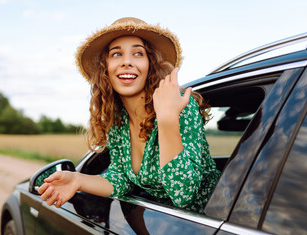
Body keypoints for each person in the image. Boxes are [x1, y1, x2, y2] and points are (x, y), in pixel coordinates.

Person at [38, 17, 221, 213]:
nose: (127, 62)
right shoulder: (118, 121)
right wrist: (77, 179)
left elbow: (183, 194)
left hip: (216, 217)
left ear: (150, 64)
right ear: (105, 68)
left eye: (138, 53)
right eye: (116, 54)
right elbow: (121, 179)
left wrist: (167, 120)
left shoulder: (178, 104)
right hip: (164, 225)